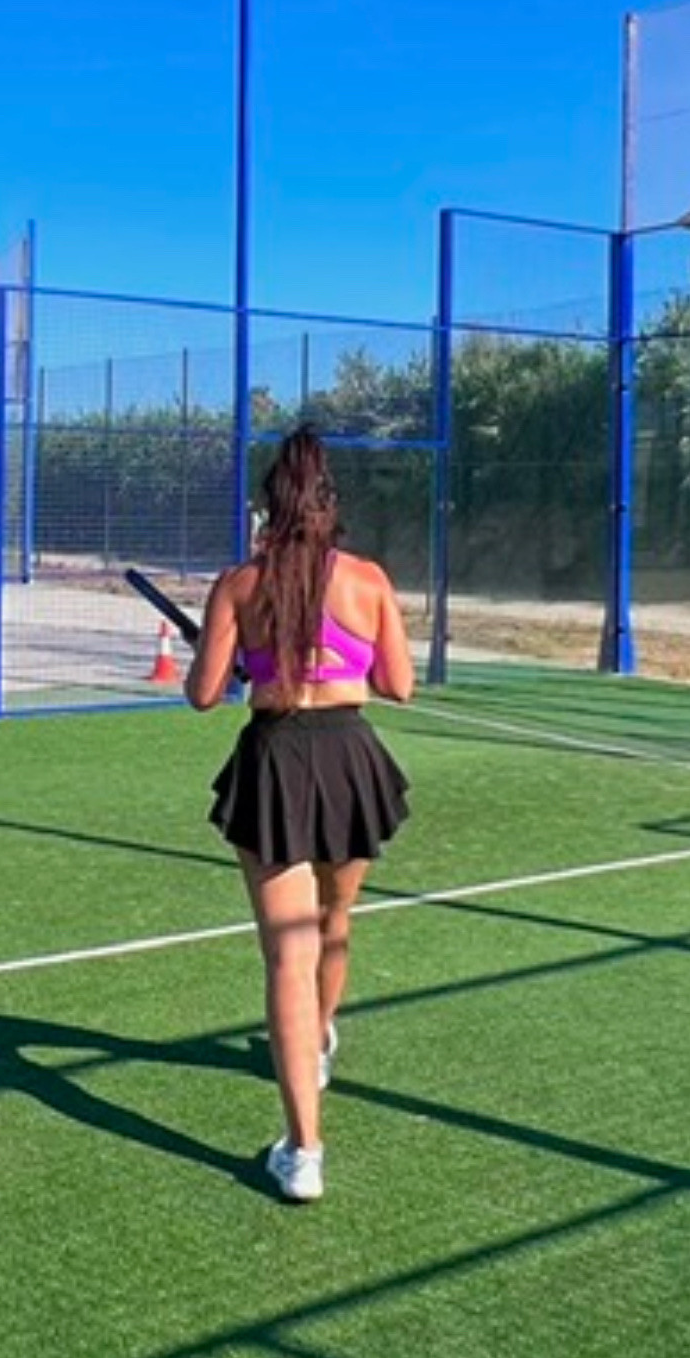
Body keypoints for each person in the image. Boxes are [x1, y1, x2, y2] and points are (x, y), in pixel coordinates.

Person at [185, 425, 414, 1202]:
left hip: (277, 759)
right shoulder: (369, 580)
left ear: (269, 505)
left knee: (289, 953)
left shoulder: (239, 583)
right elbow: (399, 684)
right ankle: (314, 1044)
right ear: (329, 503)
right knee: (335, 919)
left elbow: (203, 693)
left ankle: (304, 1150)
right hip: (350, 757)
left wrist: (240, 658)